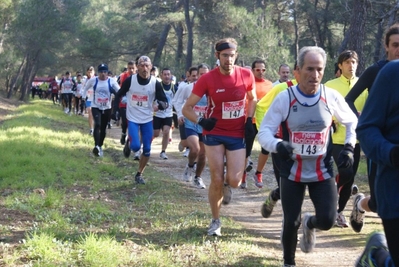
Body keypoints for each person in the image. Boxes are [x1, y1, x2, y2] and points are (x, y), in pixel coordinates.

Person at [257, 46, 357, 266]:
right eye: (309, 69)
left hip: (322, 169)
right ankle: (289, 262)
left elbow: (351, 121)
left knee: (328, 220)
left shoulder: (330, 96)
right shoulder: (285, 98)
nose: (315, 75)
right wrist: (278, 145)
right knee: (291, 221)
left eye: (319, 69)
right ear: (298, 71)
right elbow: (263, 133)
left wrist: (349, 147)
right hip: (292, 170)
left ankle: (310, 224)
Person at [182, 38, 256, 236]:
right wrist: (201, 122)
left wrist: (249, 119)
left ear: (236, 56)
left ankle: (227, 185)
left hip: (237, 133)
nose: (229, 60)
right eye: (225, 56)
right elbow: (186, 108)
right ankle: (215, 221)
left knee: (234, 180)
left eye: (232, 56)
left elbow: (252, 98)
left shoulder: (246, 75)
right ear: (217, 56)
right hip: (213, 133)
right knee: (215, 177)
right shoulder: (207, 79)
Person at [345, 23, 399, 234]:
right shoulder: (377, 71)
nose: (398, 50)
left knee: (382, 202)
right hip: (379, 146)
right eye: (395, 45)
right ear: (386, 46)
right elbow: (349, 99)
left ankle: (360, 204)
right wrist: (360, 119)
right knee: (379, 201)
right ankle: (360, 204)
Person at [355, 59, 399, 267]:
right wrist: (391, 153)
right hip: (395, 190)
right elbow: (366, 128)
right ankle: (376, 257)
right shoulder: (392, 74)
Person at [324, 50, 367, 228]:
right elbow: (324, 108)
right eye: (347, 62)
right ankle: (330, 192)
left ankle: (338, 211)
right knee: (346, 173)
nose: (351, 66)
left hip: (355, 140)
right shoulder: (330, 85)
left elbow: (370, 107)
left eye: (354, 62)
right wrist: (334, 119)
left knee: (349, 179)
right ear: (340, 66)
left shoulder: (363, 85)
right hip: (336, 139)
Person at [115, 55, 169, 185]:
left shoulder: (155, 82)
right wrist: (115, 111)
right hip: (133, 117)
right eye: (142, 66)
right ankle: (129, 142)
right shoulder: (130, 80)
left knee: (147, 150)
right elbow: (119, 94)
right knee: (135, 147)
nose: (145, 69)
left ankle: (139, 173)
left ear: (151, 67)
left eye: (147, 66)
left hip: (147, 119)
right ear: (137, 67)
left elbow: (165, 101)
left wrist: (160, 105)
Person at [255, 61, 298, 218]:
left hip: (306, 146)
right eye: (307, 69)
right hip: (281, 144)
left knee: (299, 185)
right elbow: (260, 106)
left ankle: (274, 196)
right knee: (286, 183)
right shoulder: (281, 88)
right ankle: (291, 224)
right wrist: (266, 131)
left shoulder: (318, 91)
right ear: (297, 72)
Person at [174, 64, 209, 189]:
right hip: (191, 123)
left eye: (206, 74)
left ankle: (197, 177)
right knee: (195, 149)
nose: (203, 76)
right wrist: (180, 115)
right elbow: (177, 101)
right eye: (201, 74)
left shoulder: (212, 89)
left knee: (203, 154)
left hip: (205, 125)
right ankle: (189, 166)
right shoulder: (188, 88)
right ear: (197, 75)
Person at [241, 59, 273, 189]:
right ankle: (243, 175)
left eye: (263, 70)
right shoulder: (247, 83)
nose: (261, 72)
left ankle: (258, 173)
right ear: (253, 70)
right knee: (246, 150)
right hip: (249, 120)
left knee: (266, 148)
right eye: (258, 70)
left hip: (264, 121)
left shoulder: (270, 85)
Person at [83, 64, 120, 157]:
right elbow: (85, 88)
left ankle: (100, 146)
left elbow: (119, 91)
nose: (103, 74)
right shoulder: (93, 80)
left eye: (105, 72)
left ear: (107, 73)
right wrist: (84, 96)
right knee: (97, 125)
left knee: (103, 128)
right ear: (98, 73)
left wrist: (118, 94)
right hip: (96, 106)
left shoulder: (111, 81)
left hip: (107, 107)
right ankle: (96, 146)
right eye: (101, 72)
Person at [153, 67, 177, 160]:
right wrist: (153, 106)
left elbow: (178, 99)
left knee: (166, 132)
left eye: (168, 74)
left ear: (170, 76)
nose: (167, 76)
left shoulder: (174, 87)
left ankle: (163, 151)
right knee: (155, 133)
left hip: (168, 114)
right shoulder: (157, 86)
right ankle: (144, 145)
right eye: (165, 74)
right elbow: (152, 97)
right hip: (157, 114)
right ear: (161, 76)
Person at [118, 61, 137, 145]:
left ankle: (129, 140)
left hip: (134, 102)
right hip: (124, 101)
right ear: (127, 68)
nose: (131, 70)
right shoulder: (123, 76)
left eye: (133, 68)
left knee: (131, 122)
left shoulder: (138, 76)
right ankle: (123, 133)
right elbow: (120, 89)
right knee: (125, 121)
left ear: (136, 68)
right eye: (130, 68)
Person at [84, 66, 95, 135]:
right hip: (89, 99)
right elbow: (83, 89)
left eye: (91, 72)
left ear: (94, 72)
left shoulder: (97, 79)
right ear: (87, 73)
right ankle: (91, 129)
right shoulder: (85, 80)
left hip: (96, 99)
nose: (90, 73)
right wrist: (83, 95)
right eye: (89, 72)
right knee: (90, 113)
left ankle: (97, 127)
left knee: (96, 114)